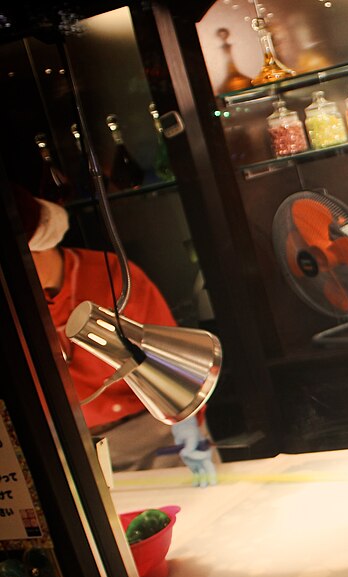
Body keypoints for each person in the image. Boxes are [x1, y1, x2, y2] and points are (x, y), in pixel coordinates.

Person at [14, 184, 216, 485]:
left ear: (40, 244)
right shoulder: (16, 307)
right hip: (74, 449)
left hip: (156, 434)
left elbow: (173, 363)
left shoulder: (112, 276)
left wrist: (187, 422)